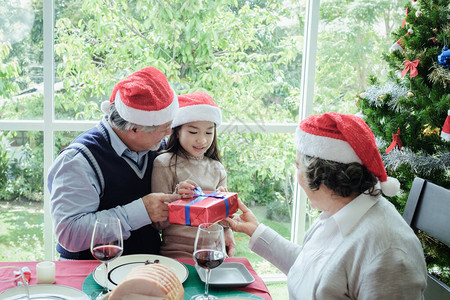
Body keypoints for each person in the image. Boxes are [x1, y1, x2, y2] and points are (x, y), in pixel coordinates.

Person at [225, 112, 428, 299]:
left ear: (320, 174)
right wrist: (257, 231)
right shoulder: (339, 211)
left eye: (297, 166)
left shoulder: (388, 254)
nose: (297, 177)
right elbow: (313, 272)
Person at [48, 67, 181, 260]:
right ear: (133, 129)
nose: (169, 133)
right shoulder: (78, 161)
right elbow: (69, 234)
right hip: (90, 273)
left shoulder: (157, 148)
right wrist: (141, 211)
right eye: (163, 128)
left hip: (147, 270)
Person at [151, 91, 236, 258]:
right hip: (177, 254)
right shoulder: (164, 163)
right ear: (176, 131)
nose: (202, 140)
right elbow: (158, 224)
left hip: (213, 253)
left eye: (208, 132)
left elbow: (224, 223)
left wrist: (225, 207)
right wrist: (177, 198)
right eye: (193, 132)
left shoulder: (217, 168)